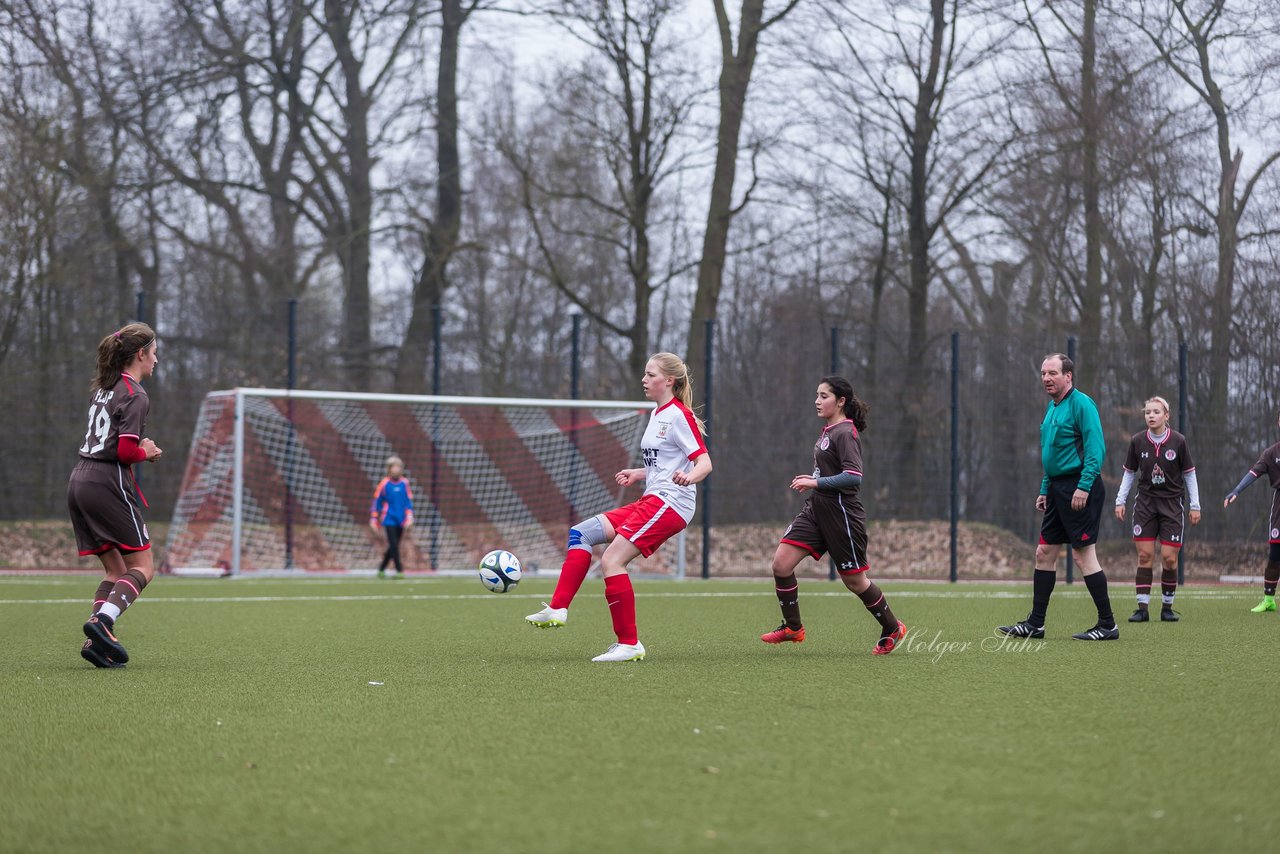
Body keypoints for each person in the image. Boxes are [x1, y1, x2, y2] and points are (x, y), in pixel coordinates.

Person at [524, 352, 713, 662]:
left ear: (669, 380)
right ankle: (558, 608)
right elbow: (663, 463)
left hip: (671, 503)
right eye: (645, 373)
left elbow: (704, 462)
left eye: (651, 374)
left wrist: (687, 476)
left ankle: (629, 643)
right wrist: (640, 473)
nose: (644, 379)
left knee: (612, 561)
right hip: (652, 498)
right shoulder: (656, 414)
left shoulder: (680, 415)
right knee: (580, 534)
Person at [759, 376, 906, 655]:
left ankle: (891, 628)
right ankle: (793, 627)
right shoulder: (828, 430)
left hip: (842, 515)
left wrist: (816, 483)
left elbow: (854, 477)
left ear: (841, 401)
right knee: (781, 564)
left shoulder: (845, 432)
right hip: (817, 510)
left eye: (824, 396)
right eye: (816, 395)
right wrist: (815, 481)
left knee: (854, 581)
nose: (817, 400)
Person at [998, 353, 1118, 640]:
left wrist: (1084, 486)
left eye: (1052, 373)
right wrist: (1044, 489)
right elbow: (1051, 456)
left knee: (1082, 555)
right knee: (1044, 552)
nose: (1046, 378)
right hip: (1057, 489)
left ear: (1068, 376)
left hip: (1079, 487)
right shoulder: (1052, 408)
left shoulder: (1082, 404)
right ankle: (1035, 624)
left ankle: (1108, 625)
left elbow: (1095, 450)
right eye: (1043, 373)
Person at [70, 322, 163, 668]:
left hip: (79, 479)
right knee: (143, 566)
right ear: (140, 354)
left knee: (115, 570)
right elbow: (124, 453)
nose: (156, 360)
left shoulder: (104, 388)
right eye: (154, 353)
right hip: (107, 483)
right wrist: (147, 452)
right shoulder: (136, 394)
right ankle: (102, 622)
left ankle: (96, 644)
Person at [1114, 396, 1200, 622]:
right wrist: (1120, 500)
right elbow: (1129, 473)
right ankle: (1142, 609)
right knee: (1145, 556)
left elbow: (1189, 474)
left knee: (1169, 559)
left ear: (1166, 416)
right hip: (1145, 503)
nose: (1150, 416)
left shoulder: (1179, 441)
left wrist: (1195, 505)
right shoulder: (1137, 441)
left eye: (1156, 412)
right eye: (1147, 412)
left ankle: (1167, 608)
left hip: (1172, 504)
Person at [1223, 410, 1280, 614]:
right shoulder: (1271, 453)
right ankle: (1268, 599)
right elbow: (1253, 473)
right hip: (1279, 507)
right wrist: (1236, 490)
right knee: (1275, 554)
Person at [370, 455, 414, 577]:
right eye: (393, 467)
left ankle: (381, 568)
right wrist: (374, 519)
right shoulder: (384, 484)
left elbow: (408, 502)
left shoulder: (405, 483)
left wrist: (410, 517)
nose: (396, 470)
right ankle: (399, 570)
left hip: (401, 519)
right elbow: (376, 502)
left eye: (398, 467)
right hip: (388, 518)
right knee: (394, 544)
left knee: (393, 545)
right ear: (389, 469)